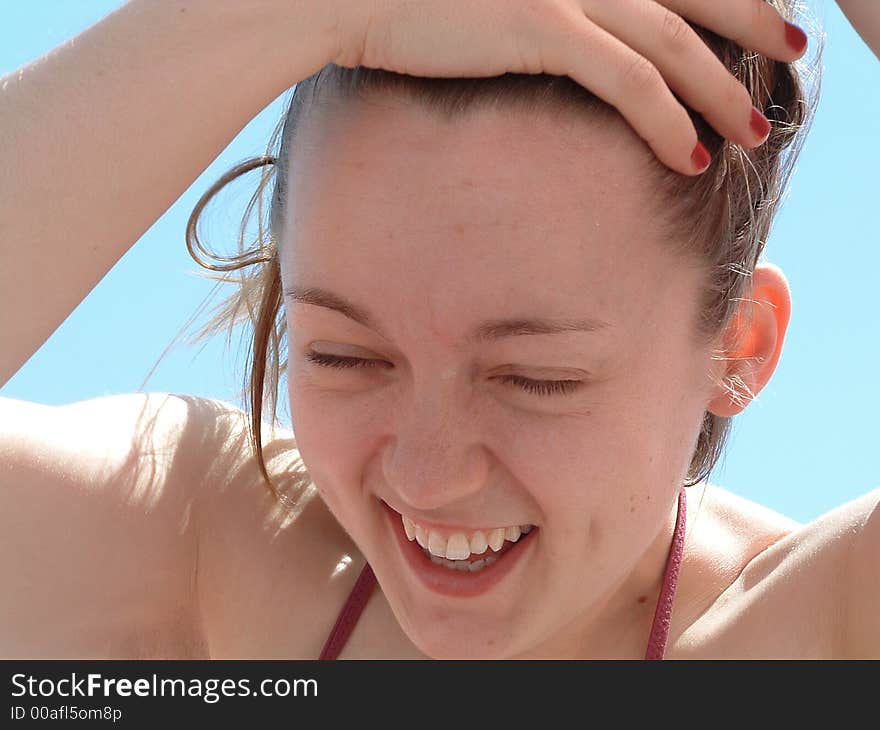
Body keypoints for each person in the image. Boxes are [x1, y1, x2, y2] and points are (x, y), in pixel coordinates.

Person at [0, 0, 877, 660]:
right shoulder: (200, 566)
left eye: (535, 378)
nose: (427, 476)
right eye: (344, 355)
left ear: (739, 346)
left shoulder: (821, 629)